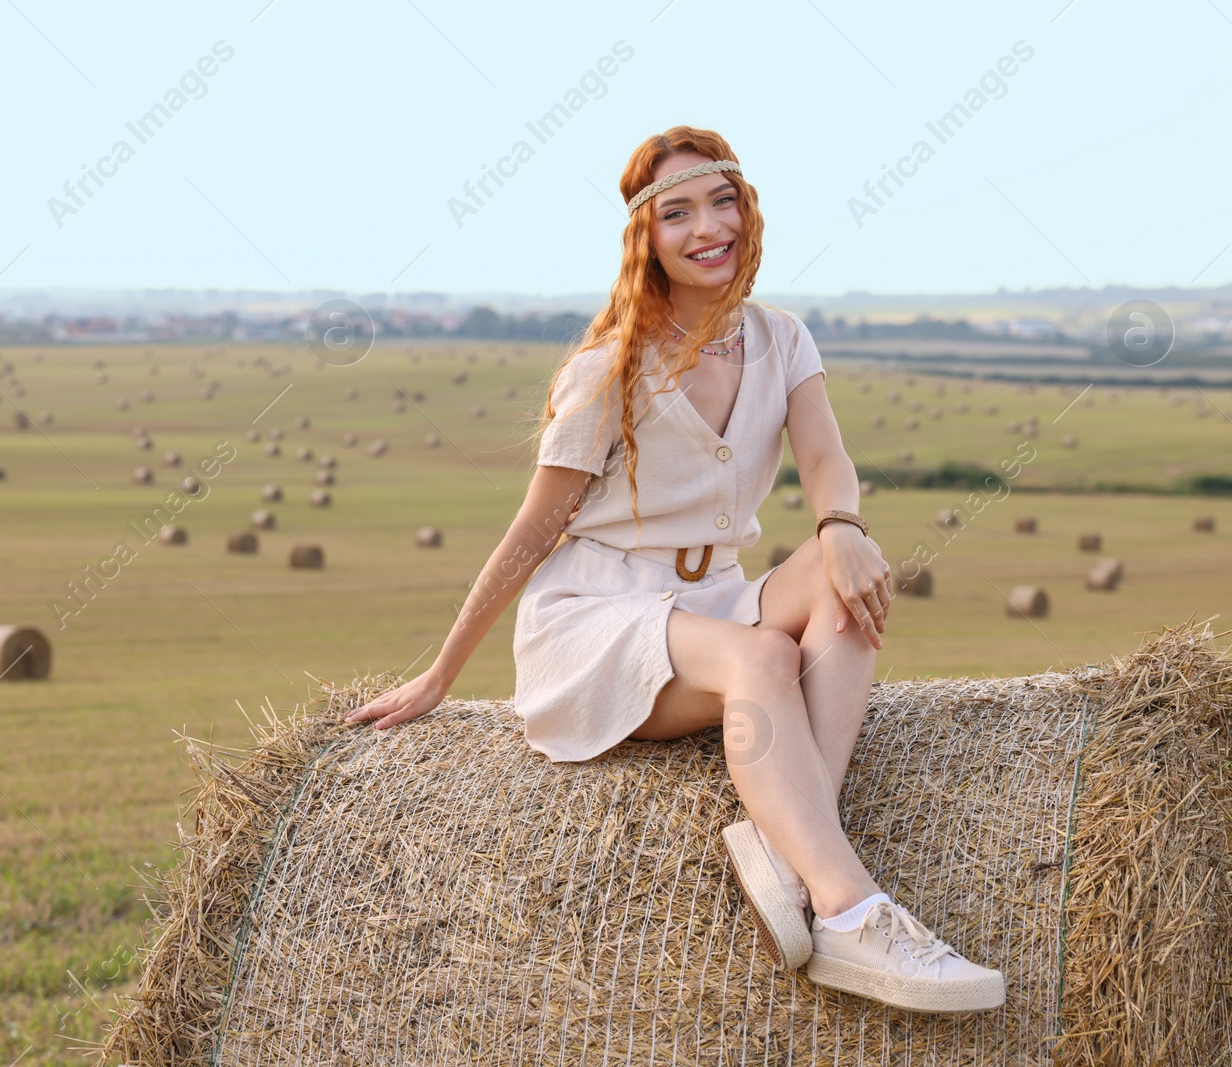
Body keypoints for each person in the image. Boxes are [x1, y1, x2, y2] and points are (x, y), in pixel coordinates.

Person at [346, 125, 1003, 1014]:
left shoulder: (781, 339)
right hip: (597, 618)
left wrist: (843, 525)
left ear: (748, 209)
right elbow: (531, 534)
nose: (707, 228)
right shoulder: (605, 371)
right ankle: (851, 912)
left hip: (713, 598)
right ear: (645, 238)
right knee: (762, 659)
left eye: (721, 201)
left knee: (844, 593)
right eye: (678, 213)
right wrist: (441, 674)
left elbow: (824, 456)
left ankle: (783, 842)